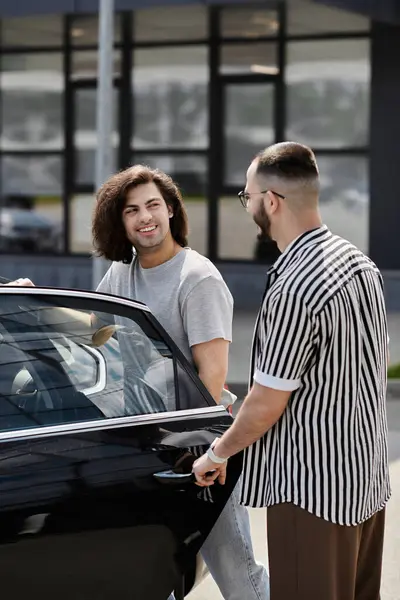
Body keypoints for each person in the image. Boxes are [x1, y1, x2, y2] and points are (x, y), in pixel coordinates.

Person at [192, 142, 391, 600]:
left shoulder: (295, 285)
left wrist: (216, 455)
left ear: (272, 202)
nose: (248, 206)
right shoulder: (361, 263)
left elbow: (265, 403)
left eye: (247, 197)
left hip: (313, 493)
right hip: (367, 480)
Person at [92, 165, 270, 600]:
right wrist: (35, 296)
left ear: (170, 209)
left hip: (199, 448)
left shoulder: (198, 278)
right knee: (154, 575)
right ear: (120, 221)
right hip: (147, 446)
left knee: (238, 574)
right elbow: (92, 329)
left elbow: (211, 380)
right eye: (131, 210)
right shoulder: (121, 274)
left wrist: (205, 451)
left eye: (153, 204)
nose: (144, 217)